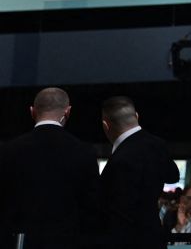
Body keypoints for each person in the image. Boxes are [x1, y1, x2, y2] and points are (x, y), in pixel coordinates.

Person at [0, 87, 101, 249]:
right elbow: (91, 206)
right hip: (67, 241)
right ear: (68, 111)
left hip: (20, 241)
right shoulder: (84, 151)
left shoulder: (8, 150)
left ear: (32, 111)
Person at [98, 95, 180, 248]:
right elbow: (173, 175)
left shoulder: (118, 160)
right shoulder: (158, 144)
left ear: (105, 125)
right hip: (155, 237)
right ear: (136, 116)